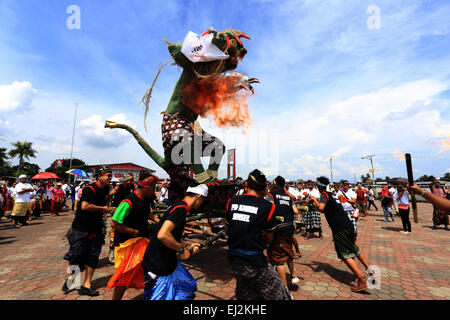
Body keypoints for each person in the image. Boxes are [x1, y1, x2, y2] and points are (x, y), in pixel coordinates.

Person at [225, 169, 291, 300]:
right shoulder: (268, 206)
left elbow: (227, 230)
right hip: (254, 261)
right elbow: (269, 237)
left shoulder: (232, 201)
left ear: (246, 185)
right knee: (281, 295)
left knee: (245, 293)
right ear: (264, 189)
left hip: (234, 259)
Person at [141, 184, 207, 300]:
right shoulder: (180, 209)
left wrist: (187, 245)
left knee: (187, 287)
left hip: (165, 261)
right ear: (199, 197)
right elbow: (163, 235)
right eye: (203, 200)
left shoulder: (179, 206)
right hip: (158, 264)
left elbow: (172, 235)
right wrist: (182, 250)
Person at [311, 176, 373, 293]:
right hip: (348, 224)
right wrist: (314, 202)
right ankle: (370, 270)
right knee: (354, 248)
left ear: (319, 186)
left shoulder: (324, 194)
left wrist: (314, 199)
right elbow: (324, 209)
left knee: (345, 255)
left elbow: (321, 207)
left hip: (339, 228)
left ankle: (361, 279)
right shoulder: (332, 194)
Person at [107, 171, 158, 300]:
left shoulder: (146, 200)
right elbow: (114, 223)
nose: (154, 192)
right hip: (127, 243)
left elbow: (149, 214)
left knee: (149, 270)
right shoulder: (128, 202)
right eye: (153, 188)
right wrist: (134, 232)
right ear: (146, 187)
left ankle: (153, 295)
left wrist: (160, 222)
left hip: (141, 241)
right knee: (124, 275)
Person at [62, 166, 112, 296]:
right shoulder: (89, 189)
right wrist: (102, 208)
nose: (110, 178)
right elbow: (84, 206)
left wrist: (106, 207)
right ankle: (72, 277)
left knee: (93, 255)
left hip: (96, 228)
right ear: (99, 176)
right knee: (76, 255)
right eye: (108, 175)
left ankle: (87, 284)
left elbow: (106, 200)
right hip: (81, 228)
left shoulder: (107, 188)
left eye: (111, 176)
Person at [266, 176, 300, 292]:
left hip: (278, 229)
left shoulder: (271, 195)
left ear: (274, 185)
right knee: (288, 251)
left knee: (279, 259)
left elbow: (268, 209)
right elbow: (295, 211)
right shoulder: (289, 197)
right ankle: (293, 276)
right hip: (290, 228)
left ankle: (284, 290)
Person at [109, 173, 135, 264]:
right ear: (126, 180)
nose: (132, 182)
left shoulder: (132, 188)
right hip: (118, 212)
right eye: (131, 180)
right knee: (114, 231)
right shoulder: (118, 188)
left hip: (127, 212)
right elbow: (109, 195)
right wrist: (109, 206)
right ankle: (112, 253)